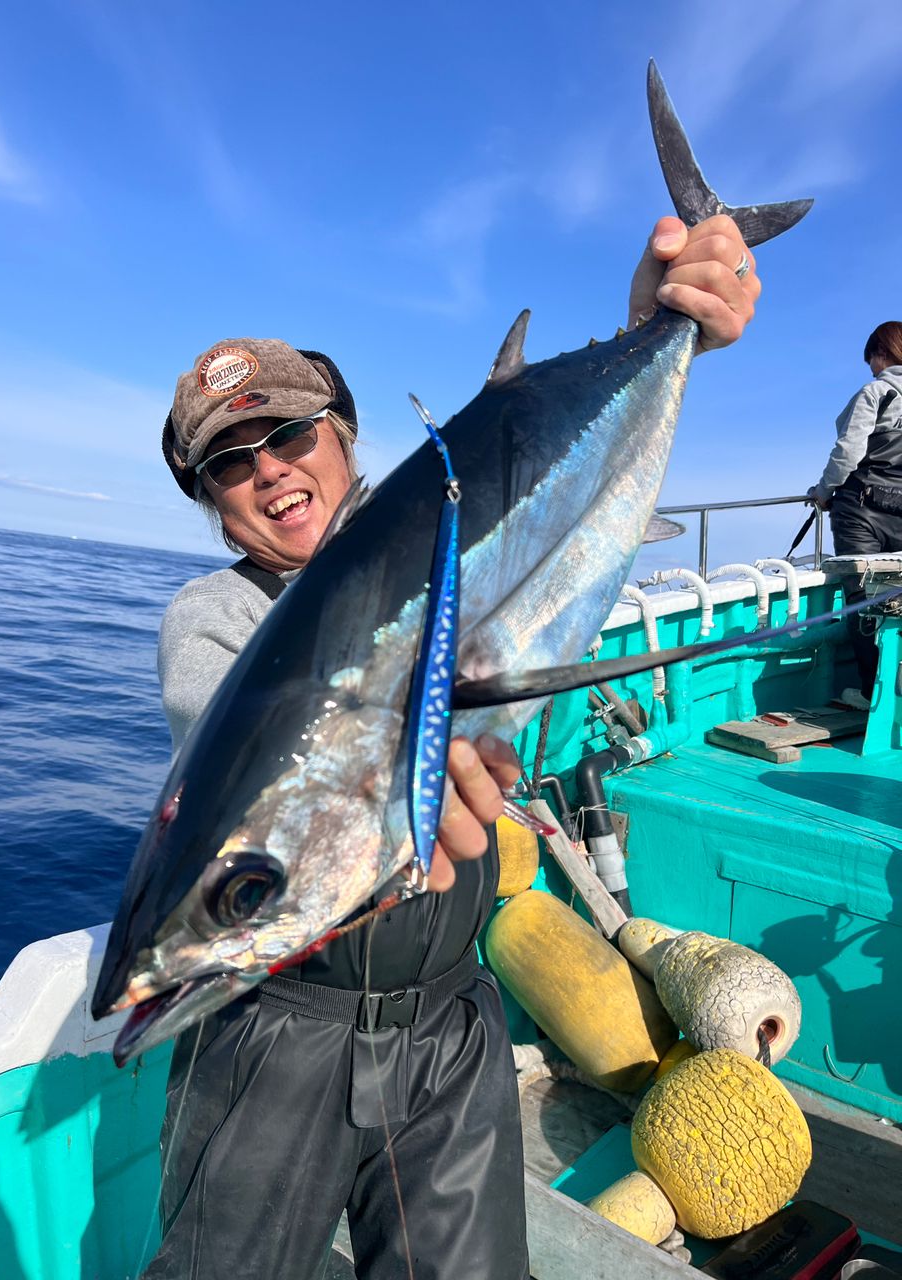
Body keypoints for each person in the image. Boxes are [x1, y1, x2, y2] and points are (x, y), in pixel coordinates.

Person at [146, 213, 760, 1280]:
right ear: (211, 500)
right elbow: (239, 772)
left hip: (448, 1022)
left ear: (342, 431)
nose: (268, 470)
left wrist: (660, 324)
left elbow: (556, 472)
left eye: (288, 434)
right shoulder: (211, 617)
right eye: (228, 463)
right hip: (273, 1032)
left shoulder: (453, 506)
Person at [807, 321, 902, 703]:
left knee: (862, 600)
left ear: (882, 352)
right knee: (896, 600)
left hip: (860, 510)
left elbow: (848, 452)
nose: (872, 368)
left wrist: (823, 491)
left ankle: (870, 693)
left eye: (872, 360)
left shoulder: (876, 392)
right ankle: (892, 694)